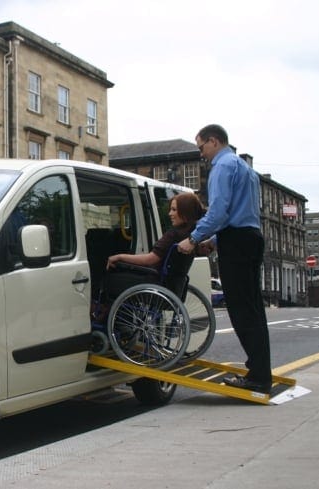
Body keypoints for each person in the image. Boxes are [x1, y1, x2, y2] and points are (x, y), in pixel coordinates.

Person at [177, 123, 272, 393]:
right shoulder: (245, 169)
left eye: (201, 147)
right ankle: (260, 371)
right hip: (250, 239)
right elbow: (243, 215)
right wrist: (215, 241)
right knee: (253, 309)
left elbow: (219, 212)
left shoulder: (222, 166)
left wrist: (193, 239)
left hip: (237, 243)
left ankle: (257, 378)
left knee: (241, 310)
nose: (201, 154)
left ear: (214, 141)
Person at [106, 192, 205, 271]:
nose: (170, 213)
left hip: (154, 282)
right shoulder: (192, 235)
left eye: (174, 210)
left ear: (185, 211)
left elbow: (149, 259)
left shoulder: (173, 234)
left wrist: (119, 257)